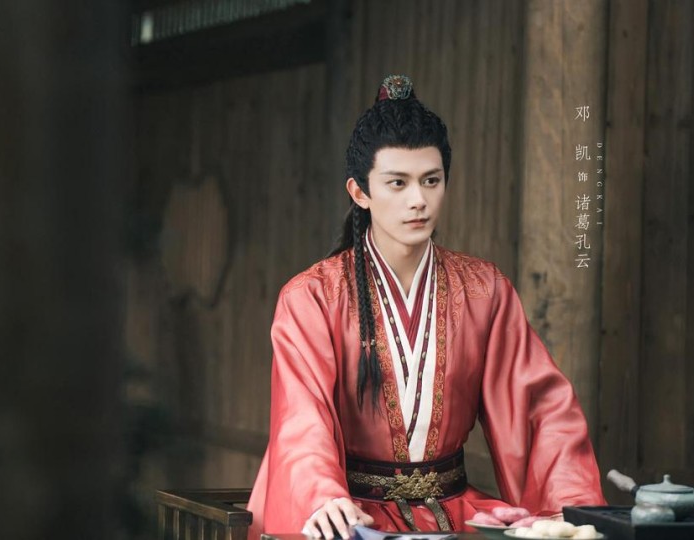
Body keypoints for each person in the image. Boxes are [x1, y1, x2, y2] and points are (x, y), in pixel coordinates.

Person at [245, 74, 606, 540]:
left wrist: (568, 507)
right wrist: (322, 496)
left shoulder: (483, 290)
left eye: (431, 181)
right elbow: (301, 419)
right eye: (397, 183)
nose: (418, 200)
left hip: (456, 515)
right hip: (351, 515)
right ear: (359, 192)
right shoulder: (312, 297)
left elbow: (540, 410)